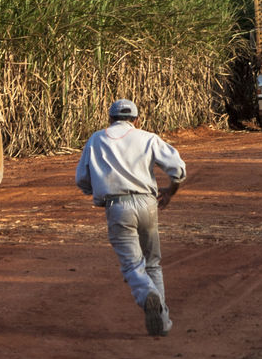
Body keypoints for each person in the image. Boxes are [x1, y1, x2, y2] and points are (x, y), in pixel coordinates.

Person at [75, 99, 187, 337]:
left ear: (110, 119)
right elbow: (178, 169)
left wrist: (94, 190)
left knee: (132, 265)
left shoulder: (96, 139)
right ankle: (163, 321)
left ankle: (148, 295)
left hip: (117, 206)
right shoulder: (147, 137)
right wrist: (170, 192)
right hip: (148, 203)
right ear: (137, 120)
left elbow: (81, 180)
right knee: (152, 262)